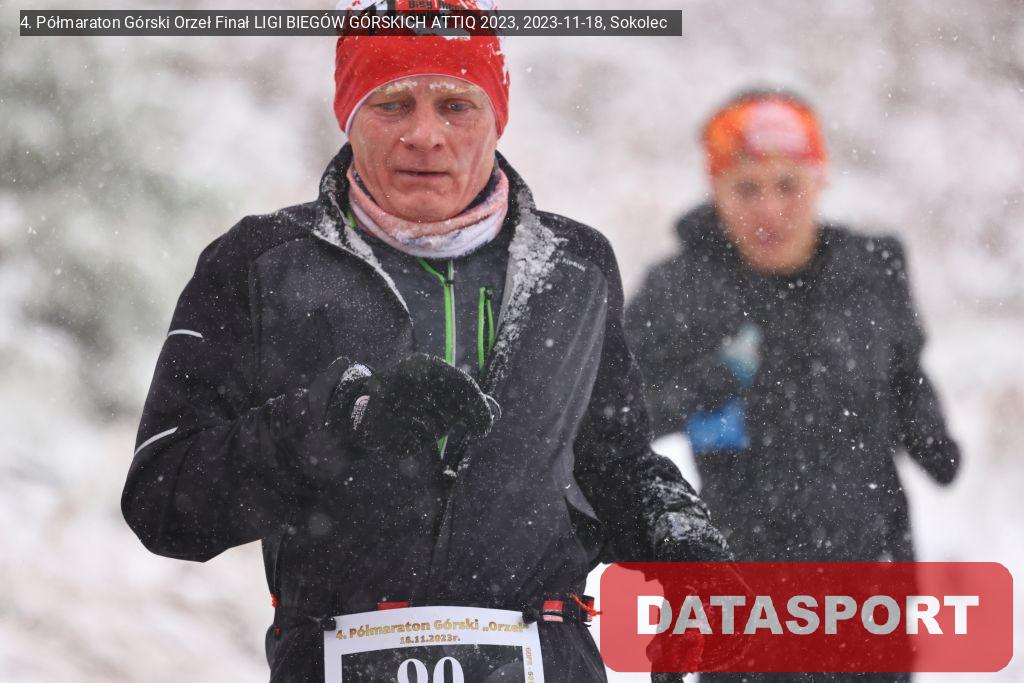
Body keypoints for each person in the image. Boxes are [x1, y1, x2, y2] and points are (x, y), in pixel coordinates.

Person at [121, 2, 728, 681]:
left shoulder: (577, 268)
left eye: (456, 105)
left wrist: (672, 531)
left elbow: (611, 463)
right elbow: (164, 501)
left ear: (498, 117)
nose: (424, 135)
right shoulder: (260, 265)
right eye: (393, 104)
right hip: (332, 652)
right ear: (348, 113)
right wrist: (337, 422)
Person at [625, 89, 961, 680]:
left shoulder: (869, 270)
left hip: (870, 577)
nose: (770, 209)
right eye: (746, 189)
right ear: (715, 189)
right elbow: (619, 418)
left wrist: (927, 428)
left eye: (788, 184)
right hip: (741, 585)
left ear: (819, 178)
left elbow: (905, 370)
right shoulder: (681, 290)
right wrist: (708, 382)